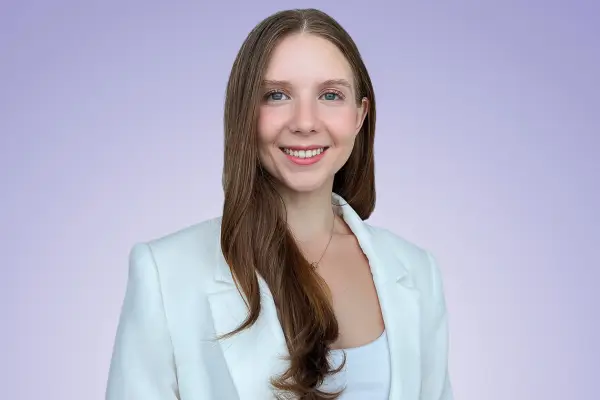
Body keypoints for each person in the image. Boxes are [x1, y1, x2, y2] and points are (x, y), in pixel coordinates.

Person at [105, 8, 453, 400]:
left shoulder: (417, 271)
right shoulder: (166, 273)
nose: (305, 122)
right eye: (277, 95)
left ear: (360, 115)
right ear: (245, 114)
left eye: (330, 95)